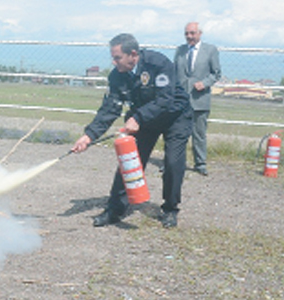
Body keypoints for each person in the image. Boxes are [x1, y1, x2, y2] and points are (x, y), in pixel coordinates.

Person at [71, 33, 193, 228]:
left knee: (173, 162)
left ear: (133, 54)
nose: (114, 62)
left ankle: (170, 209)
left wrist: (137, 117)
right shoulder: (116, 76)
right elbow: (110, 108)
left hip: (175, 116)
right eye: (113, 57)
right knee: (129, 160)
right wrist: (89, 136)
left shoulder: (158, 63)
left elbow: (165, 99)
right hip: (144, 119)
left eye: (117, 57)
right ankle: (115, 211)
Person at [174, 22, 221, 176]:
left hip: (200, 99)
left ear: (200, 33)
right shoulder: (180, 51)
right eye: (187, 33)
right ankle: (173, 162)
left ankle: (200, 163)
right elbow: (174, 73)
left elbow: (216, 73)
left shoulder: (210, 50)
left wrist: (205, 83)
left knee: (199, 133)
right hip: (180, 100)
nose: (189, 37)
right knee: (176, 133)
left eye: (192, 33)